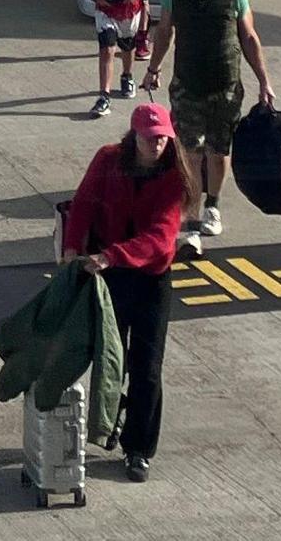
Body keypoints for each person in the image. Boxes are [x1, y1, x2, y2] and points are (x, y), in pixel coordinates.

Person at [59, 101, 190, 483]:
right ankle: (113, 416)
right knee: (110, 359)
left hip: (149, 279)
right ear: (134, 136)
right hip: (111, 277)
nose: (157, 146)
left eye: (163, 138)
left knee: (147, 368)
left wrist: (109, 255)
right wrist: (71, 247)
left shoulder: (173, 177)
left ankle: (139, 448)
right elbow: (83, 203)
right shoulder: (108, 159)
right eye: (150, 139)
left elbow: (161, 241)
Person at [154, 0, 271, 248]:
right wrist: (153, 68)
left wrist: (264, 80)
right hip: (187, 85)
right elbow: (164, 32)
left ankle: (213, 207)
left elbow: (249, 38)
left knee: (218, 153)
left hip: (226, 88)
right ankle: (191, 220)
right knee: (190, 153)